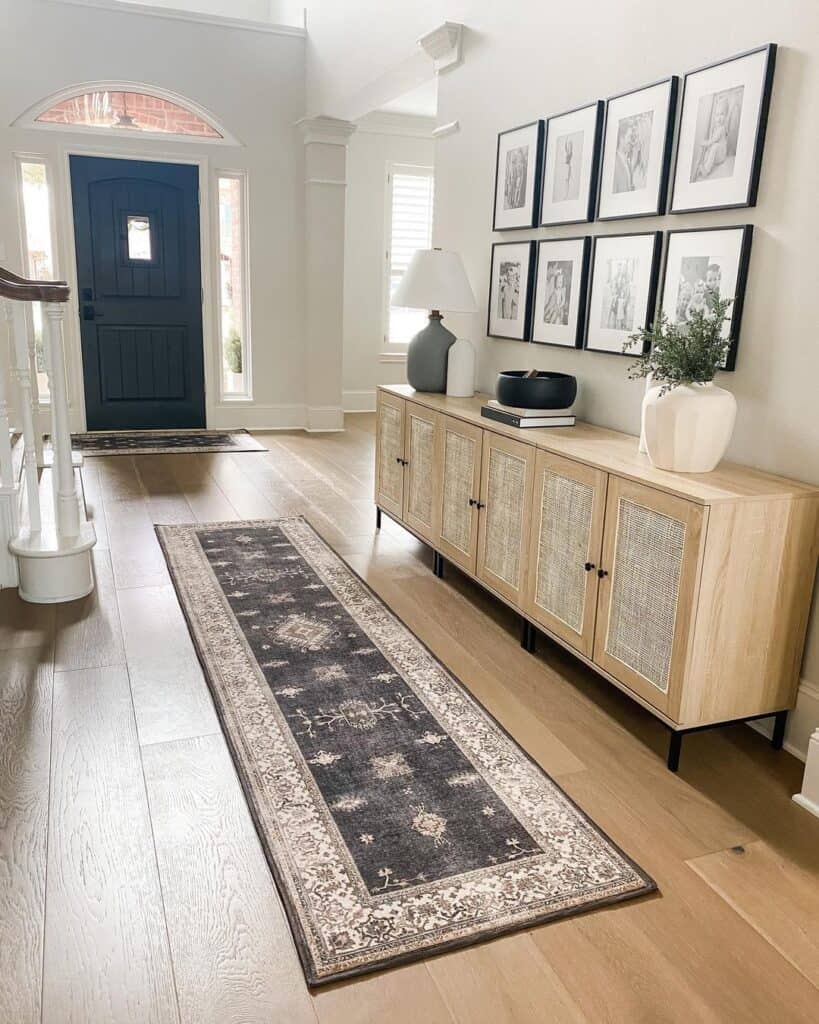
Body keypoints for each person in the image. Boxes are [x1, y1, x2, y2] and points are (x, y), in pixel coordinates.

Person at [693, 98, 730, 181]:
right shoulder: (716, 128)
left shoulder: (721, 129)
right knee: (710, 149)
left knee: (714, 147)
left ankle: (706, 170)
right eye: (717, 115)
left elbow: (711, 141)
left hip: (721, 156)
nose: (719, 118)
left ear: (726, 116)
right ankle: (705, 164)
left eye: (722, 114)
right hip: (718, 156)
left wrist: (703, 143)